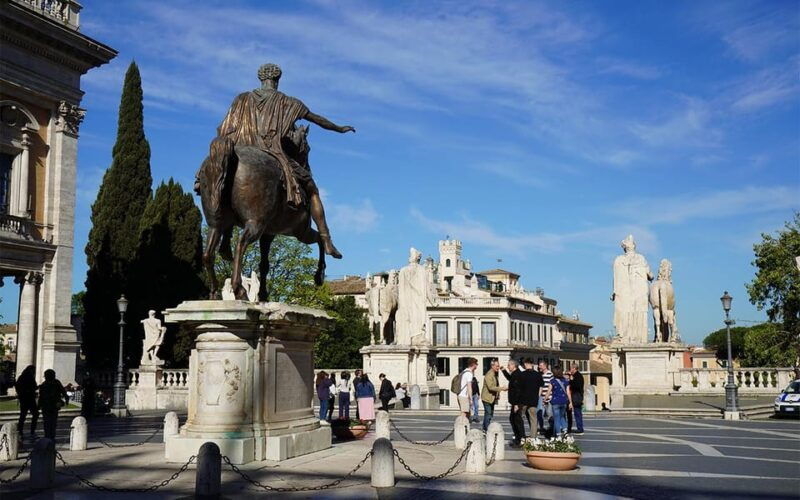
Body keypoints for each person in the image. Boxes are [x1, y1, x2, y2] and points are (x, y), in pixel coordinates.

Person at [196, 63, 355, 260]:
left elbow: (225, 127)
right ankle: (327, 240)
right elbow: (317, 119)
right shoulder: (288, 102)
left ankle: (223, 232)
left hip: (238, 148)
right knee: (312, 190)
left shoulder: (241, 99)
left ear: (261, 79)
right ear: (277, 80)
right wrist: (339, 128)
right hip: (272, 151)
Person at [38, 369, 68, 440]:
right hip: (50, 405)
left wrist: (39, 405)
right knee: (51, 422)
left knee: (49, 422)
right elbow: (63, 391)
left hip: (49, 406)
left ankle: (49, 435)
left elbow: (41, 397)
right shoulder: (47, 384)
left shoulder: (45, 384)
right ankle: (50, 435)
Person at [519, 358, 545, 439]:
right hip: (533, 399)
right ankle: (533, 437)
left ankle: (521, 435)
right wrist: (538, 396)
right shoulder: (537, 375)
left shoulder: (522, 374)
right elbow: (541, 387)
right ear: (532, 364)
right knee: (534, 419)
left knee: (519, 418)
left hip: (523, 400)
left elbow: (519, 388)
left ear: (525, 364)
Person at [502, 359, 525, 446]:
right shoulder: (515, 374)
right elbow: (510, 378)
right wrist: (503, 370)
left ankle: (520, 438)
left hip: (517, 402)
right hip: (515, 402)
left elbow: (518, 390)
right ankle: (518, 438)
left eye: (509, 365)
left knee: (517, 420)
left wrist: (516, 404)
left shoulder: (517, 375)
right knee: (513, 419)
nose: (508, 367)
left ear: (514, 366)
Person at [480, 358, 507, 431]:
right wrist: (502, 389)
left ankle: (484, 428)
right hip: (487, 398)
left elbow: (496, 384)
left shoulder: (494, 374)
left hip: (491, 398)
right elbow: (491, 387)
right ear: (492, 366)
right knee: (488, 414)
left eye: (498, 366)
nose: (498, 367)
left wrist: (498, 394)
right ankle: (486, 429)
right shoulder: (489, 375)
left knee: (489, 414)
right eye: (497, 366)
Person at [15, 365, 38, 438]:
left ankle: (20, 430)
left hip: (24, 398)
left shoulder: (21, 377)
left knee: (23, 415)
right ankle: (32, 431)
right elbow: (34, 387)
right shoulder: (30, 377)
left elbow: (17, 386)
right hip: (29, 398)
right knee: (35, 414)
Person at [549, 366, 570, 437]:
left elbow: (549, 391)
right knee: (562, 417)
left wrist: (545, 399)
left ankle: (558, 434)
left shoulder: (552, 381)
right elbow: (568, 392)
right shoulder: (565, 381)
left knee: (557, 418)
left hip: (555, 402)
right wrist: (570, 402)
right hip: (564, 401)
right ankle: (565, 431)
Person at [567, 363, 585, 435]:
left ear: (574, 368)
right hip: (574, 396)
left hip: (576, 396)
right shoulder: (575, 376)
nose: (570, 370)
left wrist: (571, 380)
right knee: (570, 413)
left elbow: (576, 386)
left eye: (571, 368)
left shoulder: (578, 376)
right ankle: (569, 427)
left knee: (577, 413)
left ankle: (580, 429)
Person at [536, 360, 553, 434]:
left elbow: (550, 386)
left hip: (549, 397)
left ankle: (551, 428)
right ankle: (541, 427)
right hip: (541, 397)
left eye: (541, 365)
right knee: (539, 413)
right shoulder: (540, 375)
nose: (539, 367)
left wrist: (547, 397)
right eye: (539, 365)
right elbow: (540, 386)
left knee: (549, 413)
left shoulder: (550, 374)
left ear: (545, 366)